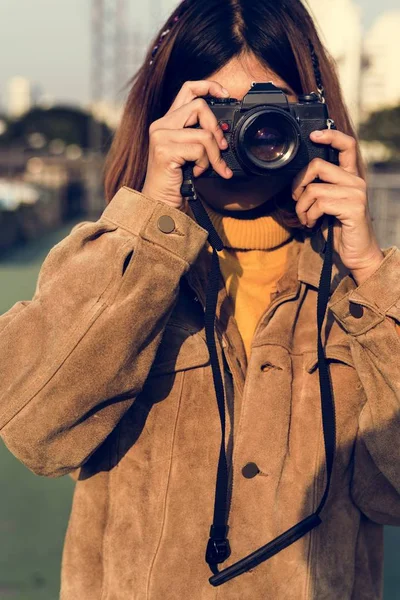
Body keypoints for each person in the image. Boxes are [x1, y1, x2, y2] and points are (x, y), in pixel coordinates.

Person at [0, 0, 399, 598]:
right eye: (218, 114)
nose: (244, 137)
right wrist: (150, 226)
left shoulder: (357, 294)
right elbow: (36, 429)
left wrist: (371, 273)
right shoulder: (117, 265)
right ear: (166, 118)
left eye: (271, 117)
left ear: (318, 119)